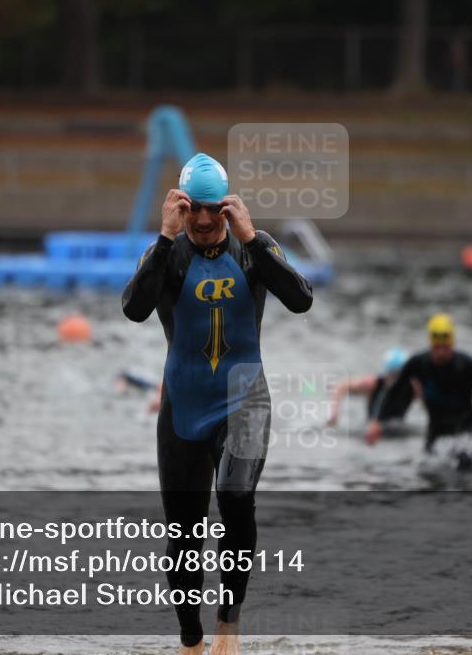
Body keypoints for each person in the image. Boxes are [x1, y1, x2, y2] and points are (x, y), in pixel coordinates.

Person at [122, 152, 313, 655]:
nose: (204, 220)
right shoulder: (166, 253)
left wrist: (251, 238)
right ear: (180, 209)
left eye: (213, 209)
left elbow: (301, 299)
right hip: (184, 406)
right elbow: (134, 309)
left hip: (245, 400)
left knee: (234, 497)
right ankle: (191, 639)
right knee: (183, 532)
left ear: (227, 208)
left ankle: (229, 621)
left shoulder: (255, 247)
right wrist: (164, 239)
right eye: (193, 210)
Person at [365, 314, 472, 467]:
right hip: (436, 430)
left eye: (445, 348)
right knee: (428, 476)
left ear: (453, 343)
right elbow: (394, 390)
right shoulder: (418, 363)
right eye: (437, 348)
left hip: (465, 433)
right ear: (431, 344)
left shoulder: (470, 367)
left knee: (466, 478)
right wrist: (377, 421)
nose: (441, 353)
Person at [326, 347, 419, 429]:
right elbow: (341, 386)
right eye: (392, 374)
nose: (395, 380)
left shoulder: (414, 388)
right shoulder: (374, 384)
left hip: (397, 430)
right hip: (371, 428)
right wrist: (334, 416)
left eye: (398, 375)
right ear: (386, 371)